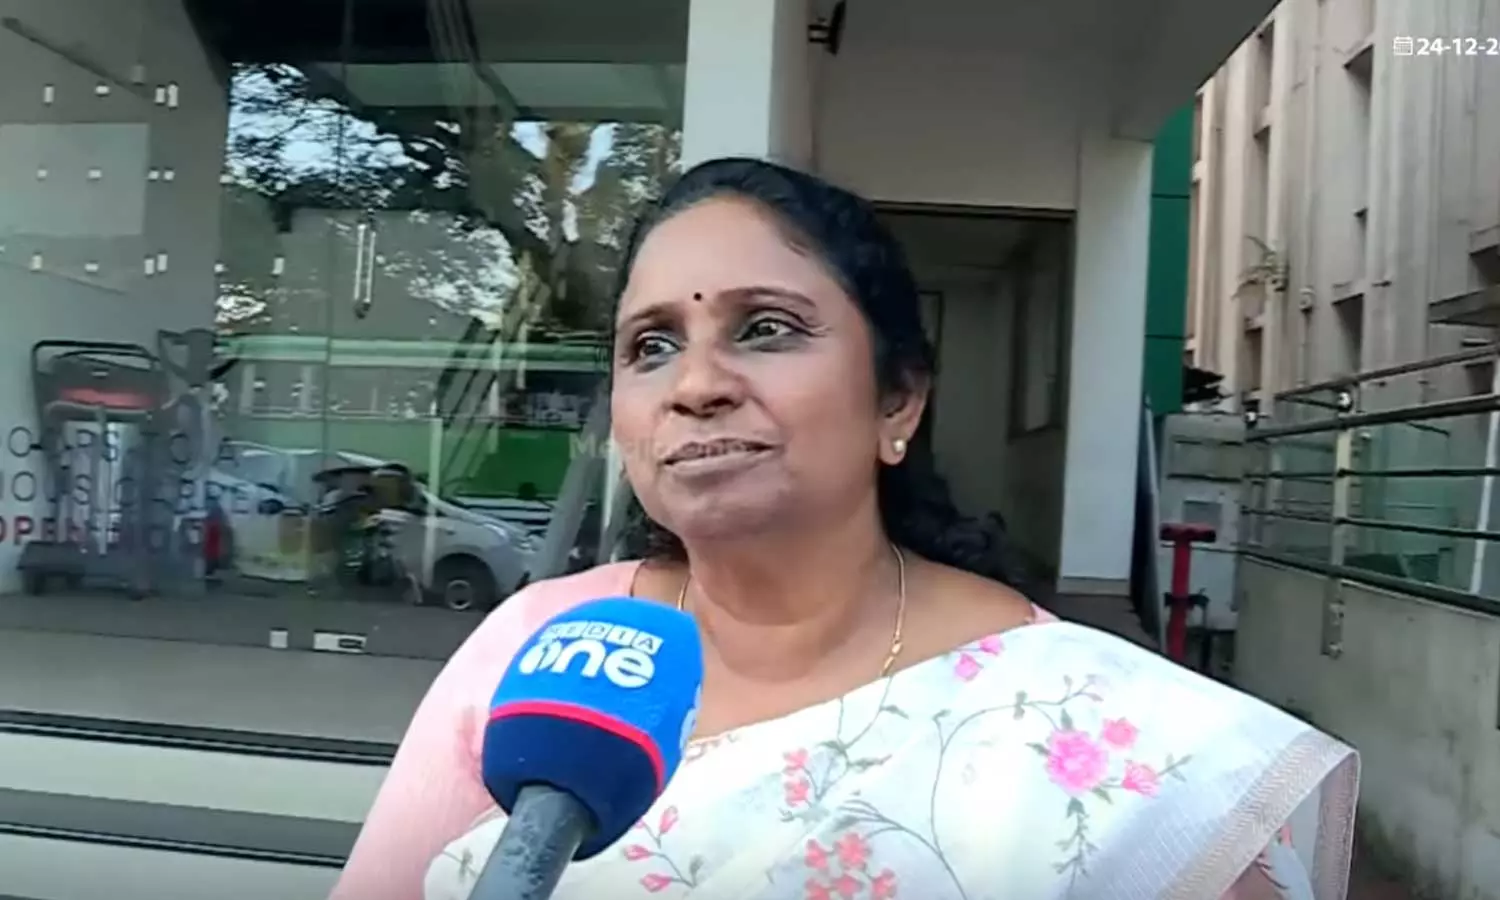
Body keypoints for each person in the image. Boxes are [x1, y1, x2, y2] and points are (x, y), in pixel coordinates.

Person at [331, 158, 1358, 900]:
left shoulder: (1092, 732)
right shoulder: (537, 645)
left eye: (765, 328)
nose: (694, 385)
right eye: (651, 346)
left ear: (897, 401)